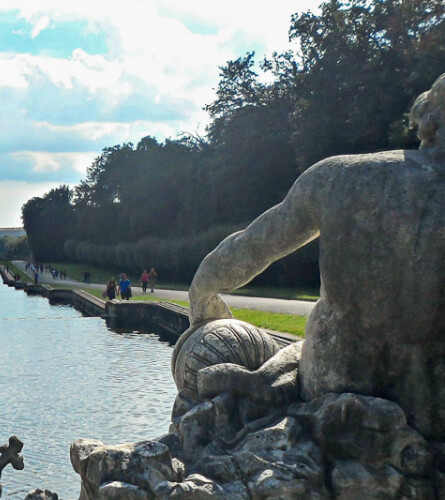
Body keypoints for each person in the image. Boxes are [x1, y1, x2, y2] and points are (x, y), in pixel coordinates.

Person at [189, 73, 445, 440]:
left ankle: (265, 380)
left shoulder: (340, 178)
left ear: (426, 119)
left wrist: (201, 293)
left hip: (334, 379)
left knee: (310, 344)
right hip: (430, 407)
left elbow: (251, 247)